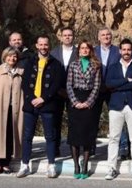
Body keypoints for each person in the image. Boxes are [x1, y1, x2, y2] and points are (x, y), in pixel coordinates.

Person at [16, 35, 64, 178]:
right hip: (31, 104)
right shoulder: (30, 62)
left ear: (49, 46)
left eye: (46, 45)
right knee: (27, 136)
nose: (43, 47)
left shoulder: (56, 64)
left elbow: (56, 84)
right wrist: (32, 98)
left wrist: (43, 98)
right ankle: (24, 165)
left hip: (48, 104)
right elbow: (24, 83)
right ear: (36, 46)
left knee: (50, 136)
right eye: (41, 45)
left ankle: (51, 165)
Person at [103, 39, 132, 181]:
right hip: (116, 106)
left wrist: (119, 86)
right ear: (120, 51)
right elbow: (109, 84)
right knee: (113, 138)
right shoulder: (113, 67)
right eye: (124, 49)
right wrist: (127, 81)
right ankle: (111, 168)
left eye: (129, 49)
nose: (126, 52)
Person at [66, 41, 101, 179]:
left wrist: (88, 102)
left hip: (89, 100)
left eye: (87, 48)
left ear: (90, 50)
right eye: (82, 48)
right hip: (75, 98)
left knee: (87, 135)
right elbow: (68, 84)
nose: (85, 50)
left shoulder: (96, 65)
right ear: (79, 50)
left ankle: (85, 165)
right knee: (74, 135)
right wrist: (75, 102)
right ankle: (76, 165)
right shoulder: (73, 65)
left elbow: (97, 86)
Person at [94, 27, 121, 158]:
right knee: (93, 118)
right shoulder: (93, 51)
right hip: (96, 90)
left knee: (118, 118)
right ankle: (91, 148)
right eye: (103, 35)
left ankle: (123, 149)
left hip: (113, 90)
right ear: (99, 37)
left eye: (108, 35)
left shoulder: (118, 51)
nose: (106, 37)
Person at [50, 27, 77, 157]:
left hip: (74, 92)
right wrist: (59, 89)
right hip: (57, 92)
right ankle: (55, 147)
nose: (67, 37)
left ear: (73, 37)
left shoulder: (79, 52)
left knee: (74, 121)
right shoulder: (54, 53)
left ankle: (74, 148)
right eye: (65, 35)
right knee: (56, 120)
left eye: (70, 35)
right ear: (60, 37)